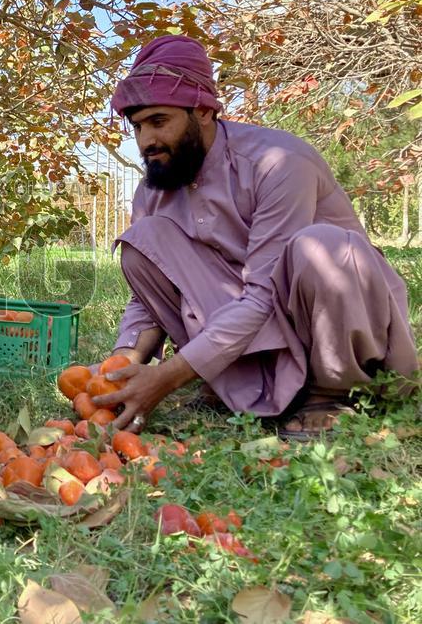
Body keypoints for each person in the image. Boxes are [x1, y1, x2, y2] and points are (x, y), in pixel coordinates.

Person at [88, 35, 418, 439]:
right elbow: (146, 298)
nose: (146, 142)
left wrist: (170, 375)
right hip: (246, 331)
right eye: (138, 126)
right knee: (144, 241)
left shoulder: (277, 162)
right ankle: (235, 383)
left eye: (160, 122)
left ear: (204, 111)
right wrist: (120, 366)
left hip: (315, 324)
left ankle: (332, 394)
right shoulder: (154, 189)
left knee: (325, 248)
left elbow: (262, 294)